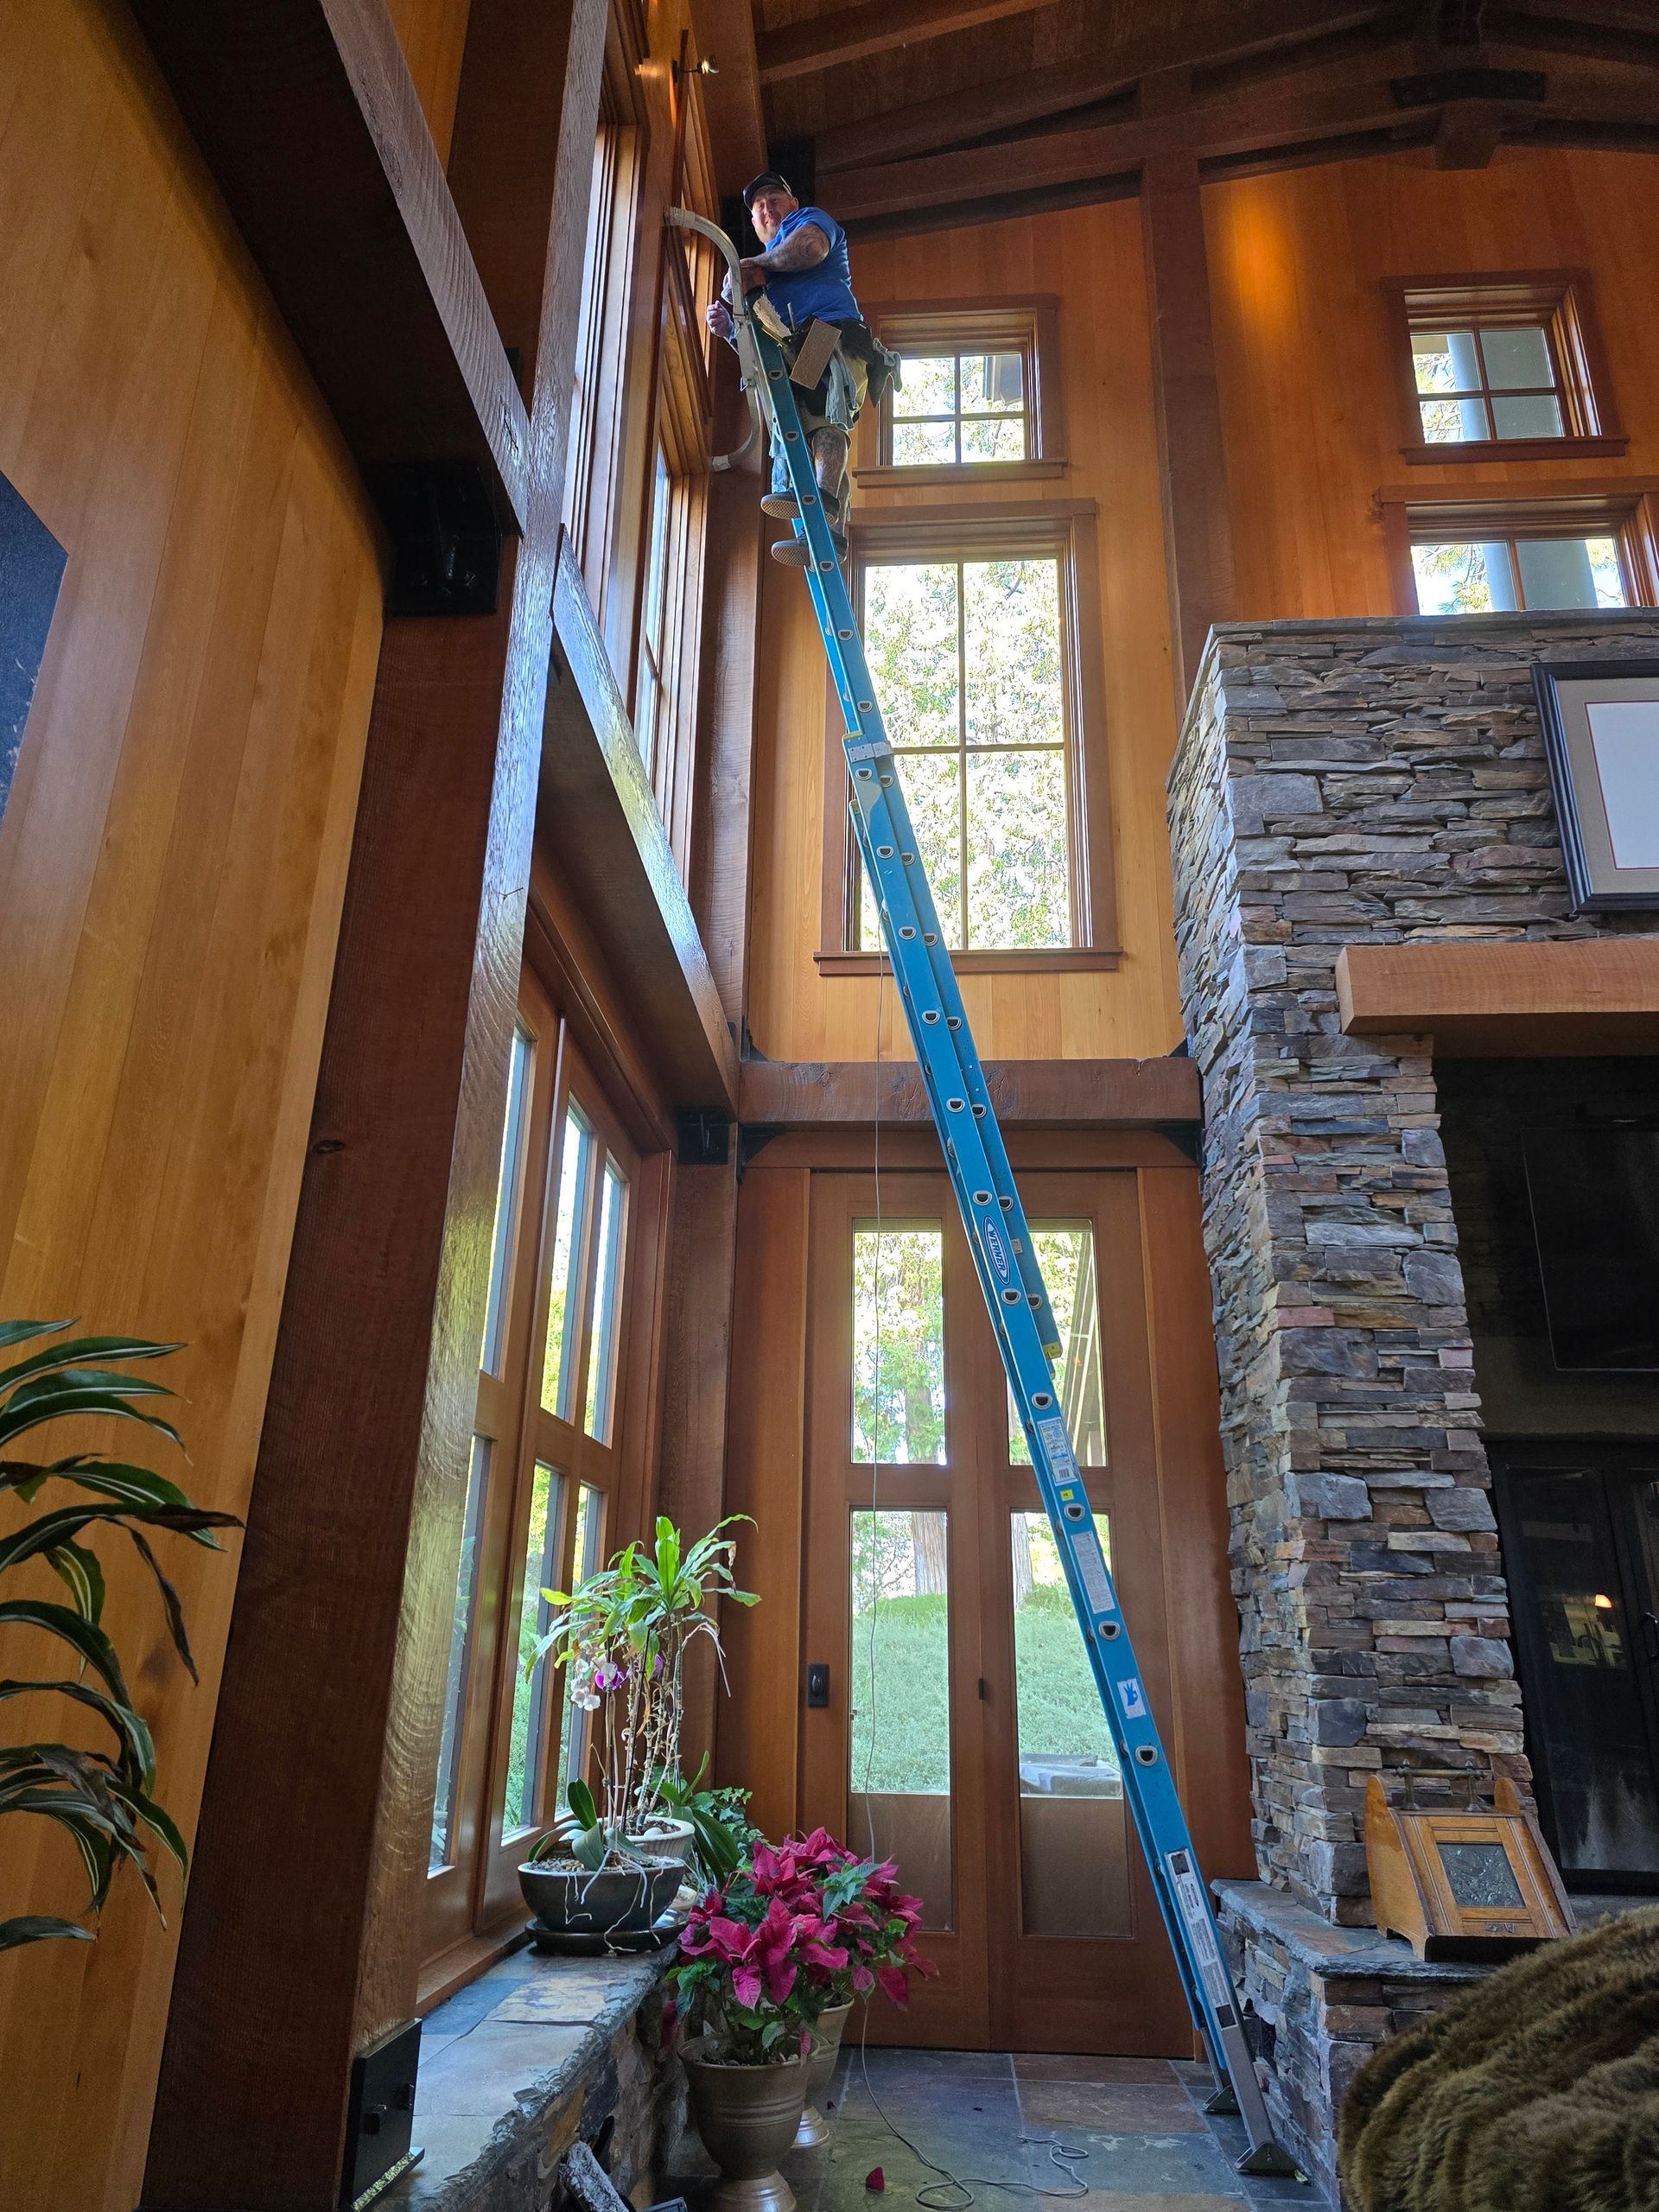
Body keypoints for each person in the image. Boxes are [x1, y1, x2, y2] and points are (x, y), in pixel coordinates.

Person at [705, 172, 889, 567]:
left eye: (774, 199)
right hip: (793, 346)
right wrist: (729, 331)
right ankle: (825, 534)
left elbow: (811, 248)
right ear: (753, 224)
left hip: (829, 331)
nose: (767, 209)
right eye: (758, 208)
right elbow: (760, 340)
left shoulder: (805, 223)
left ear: (792, 203)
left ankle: (820, 509)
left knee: (822, 418)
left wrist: (758, 263)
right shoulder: (763, 279)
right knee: (801, 423)